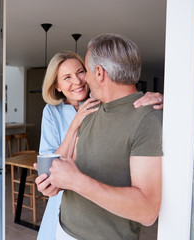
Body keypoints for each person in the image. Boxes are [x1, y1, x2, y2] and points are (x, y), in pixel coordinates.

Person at [37, 49, 163, 239]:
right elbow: (51, 164)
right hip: (66, 204)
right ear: (57, 86)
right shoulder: (52, 112)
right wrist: (74, 125)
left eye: (81, 72)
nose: (78, 81)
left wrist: (163, 100)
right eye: (67, 77)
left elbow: (128, 106)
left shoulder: (100, 102)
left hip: (104, 214)